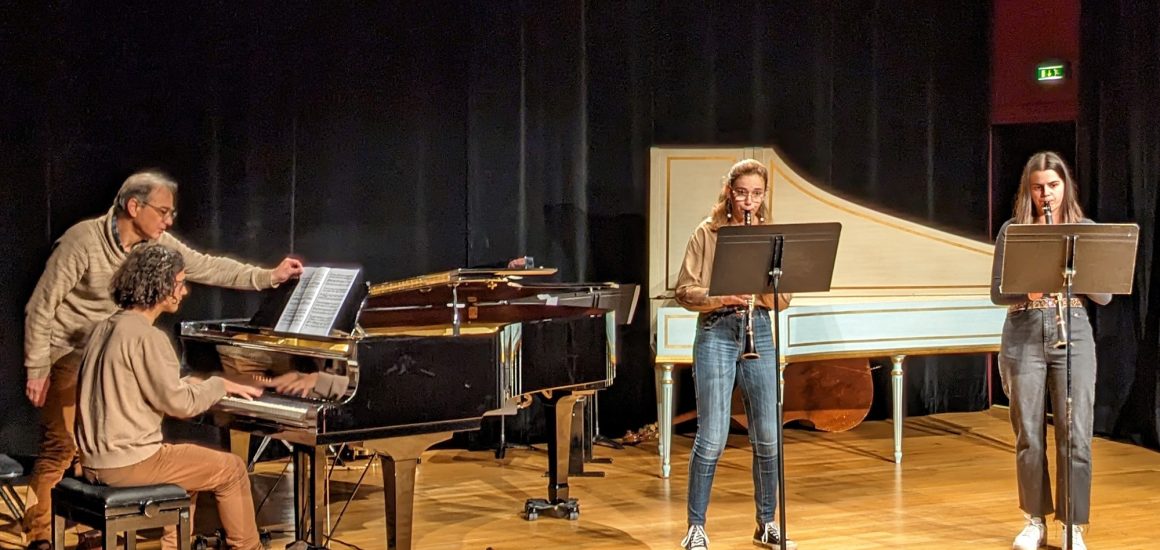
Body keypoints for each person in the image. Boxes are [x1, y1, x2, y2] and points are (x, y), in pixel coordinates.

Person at [21, 170, 304, 548]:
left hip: (104, 362)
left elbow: (208, 265)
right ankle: (41, 536)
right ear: (133, 206)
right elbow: (41, 307)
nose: (169, 221)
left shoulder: (119, 308)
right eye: (163, 211)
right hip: (69, 356)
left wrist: (268, 277)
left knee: (178, 468)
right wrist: (37, 367)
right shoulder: (84, 244)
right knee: (61, 449)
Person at [75, 243, 266, 550]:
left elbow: (141, 386)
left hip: (93, 461)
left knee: (191, 470)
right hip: (129, 463)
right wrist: (219, 384)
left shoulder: (104, 327)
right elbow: (180, 405)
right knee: (231, 470)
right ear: (160, 286)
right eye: (179, 283)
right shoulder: (148, 337)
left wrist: (192, 383)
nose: (184, 291)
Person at [990, 152, 1110, 550]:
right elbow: (997, 293)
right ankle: (1034, 520)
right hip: (1024, 333)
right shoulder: (1013, 230)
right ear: (1029, 190)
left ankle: (1072, 525)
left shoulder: (1084, 229)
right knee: (1029, 434)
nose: (1047, 195)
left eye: (1054, 186)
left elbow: (1105, 296)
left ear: (1065, 186)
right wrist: (1029, 289)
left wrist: (1076, 273)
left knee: (1076, 434)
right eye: (1039, 187)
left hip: (1073, 332)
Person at [674, 159, 795, 550]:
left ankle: (767, 523)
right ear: (729, 192)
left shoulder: (770, 237)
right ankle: (695, 527)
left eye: (756, 194)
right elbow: (684, 290)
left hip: (757, 328)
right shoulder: (707, 232)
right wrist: (722, 295)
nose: (749, 202)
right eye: (742, 193)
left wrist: (762, 288)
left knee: (768, 437)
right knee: (712, 436)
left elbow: (784, 299)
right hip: (717, 330)